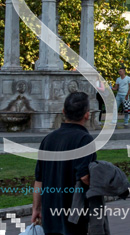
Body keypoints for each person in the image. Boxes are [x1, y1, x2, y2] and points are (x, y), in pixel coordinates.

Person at [32, 92, 96, 235]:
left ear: (63, 112)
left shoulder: (48, 139)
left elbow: (39, 179)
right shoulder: (84, 140)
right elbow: (85, 177)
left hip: (49, 215)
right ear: (87, 115)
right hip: (74, 214)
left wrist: (36, 208)